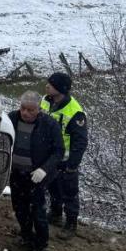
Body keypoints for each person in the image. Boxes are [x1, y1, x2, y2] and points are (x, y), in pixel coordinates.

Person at [7, 91, 62, 251]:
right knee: (19, 207)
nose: (25, 113)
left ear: (38, 109)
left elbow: (58, 151)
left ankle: (40, 245)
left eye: (30, 110)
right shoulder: (11, 119)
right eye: (23, 108)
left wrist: (44, 170)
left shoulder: (49, 125)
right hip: (16, 173)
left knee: (37, 210)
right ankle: (26, 236)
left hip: (36, 176)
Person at [40, 72, 88, 233]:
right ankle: (55, 215)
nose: (47, 86)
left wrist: (72, 165)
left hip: (66, 160)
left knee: (69, 192)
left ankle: (71, 224)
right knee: (53, 188)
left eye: (51, 84)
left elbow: (80, 141)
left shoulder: (75, 112)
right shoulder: (46, 101)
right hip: (49, 156)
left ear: (60, 88)